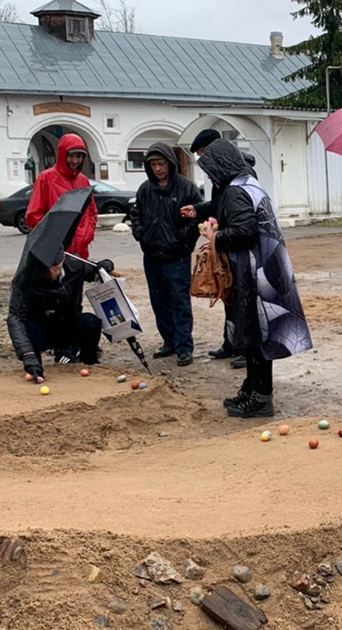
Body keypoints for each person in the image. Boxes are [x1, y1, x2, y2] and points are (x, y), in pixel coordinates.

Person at [194, 139, 311, 417]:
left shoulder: (236, 191)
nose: (209, 175)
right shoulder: (249, 183)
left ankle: (261, 397)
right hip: (267, 268)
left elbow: (244, 231)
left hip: (254, 274)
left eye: (210, 169)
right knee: (253, 332)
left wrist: (214, 237)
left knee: (257, 333)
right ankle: (252, 387)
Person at [129, 142, 202, 366]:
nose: (157, 168)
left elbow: (197, 217)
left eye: (161, 164)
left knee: (179, 301)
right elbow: (136, 213)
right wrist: (140, 233)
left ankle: (183, 347)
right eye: (153, 164)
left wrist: (184, 241)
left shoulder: (187, 188)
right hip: (152, 255)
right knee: (159, 301)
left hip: (177, 255)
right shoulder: (144, 189)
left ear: (170, 163)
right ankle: (168, 341)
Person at [188, 128, 246, 368]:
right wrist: (199, 210)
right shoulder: (221, 179)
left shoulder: (239, 178)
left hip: (235, 246)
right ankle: (230, 343)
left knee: (241, 298)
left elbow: (243, 223)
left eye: (205, 155)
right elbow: (218, 205)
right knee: (227, 295)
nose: (205, 165)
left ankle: (245, 348)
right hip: (224, 243)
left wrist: (216, 235)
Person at [7, 250, 113, 382]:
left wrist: (106, 265)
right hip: (41, 329)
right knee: (29, 328)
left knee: (91, 322)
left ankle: (89, 361)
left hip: (67, 324)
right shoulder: (25, 277)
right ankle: (36, 367)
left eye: (54, 266)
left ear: (63, 260)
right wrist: (28, 356)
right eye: (45, 267)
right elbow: (15, 317)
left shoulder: (75, 265)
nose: (49, 271)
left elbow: (95, 270)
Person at [24, 133, 98, 259]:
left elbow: (91, 212)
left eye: (79, 156)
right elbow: (33, 215)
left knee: (77, 277)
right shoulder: (46, 178)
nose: (75, 161)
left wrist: (87, 234)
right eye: (71, 156)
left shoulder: (83, 181)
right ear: (63, 154)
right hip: (55, 253)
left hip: (81, 250)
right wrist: (53, 238)